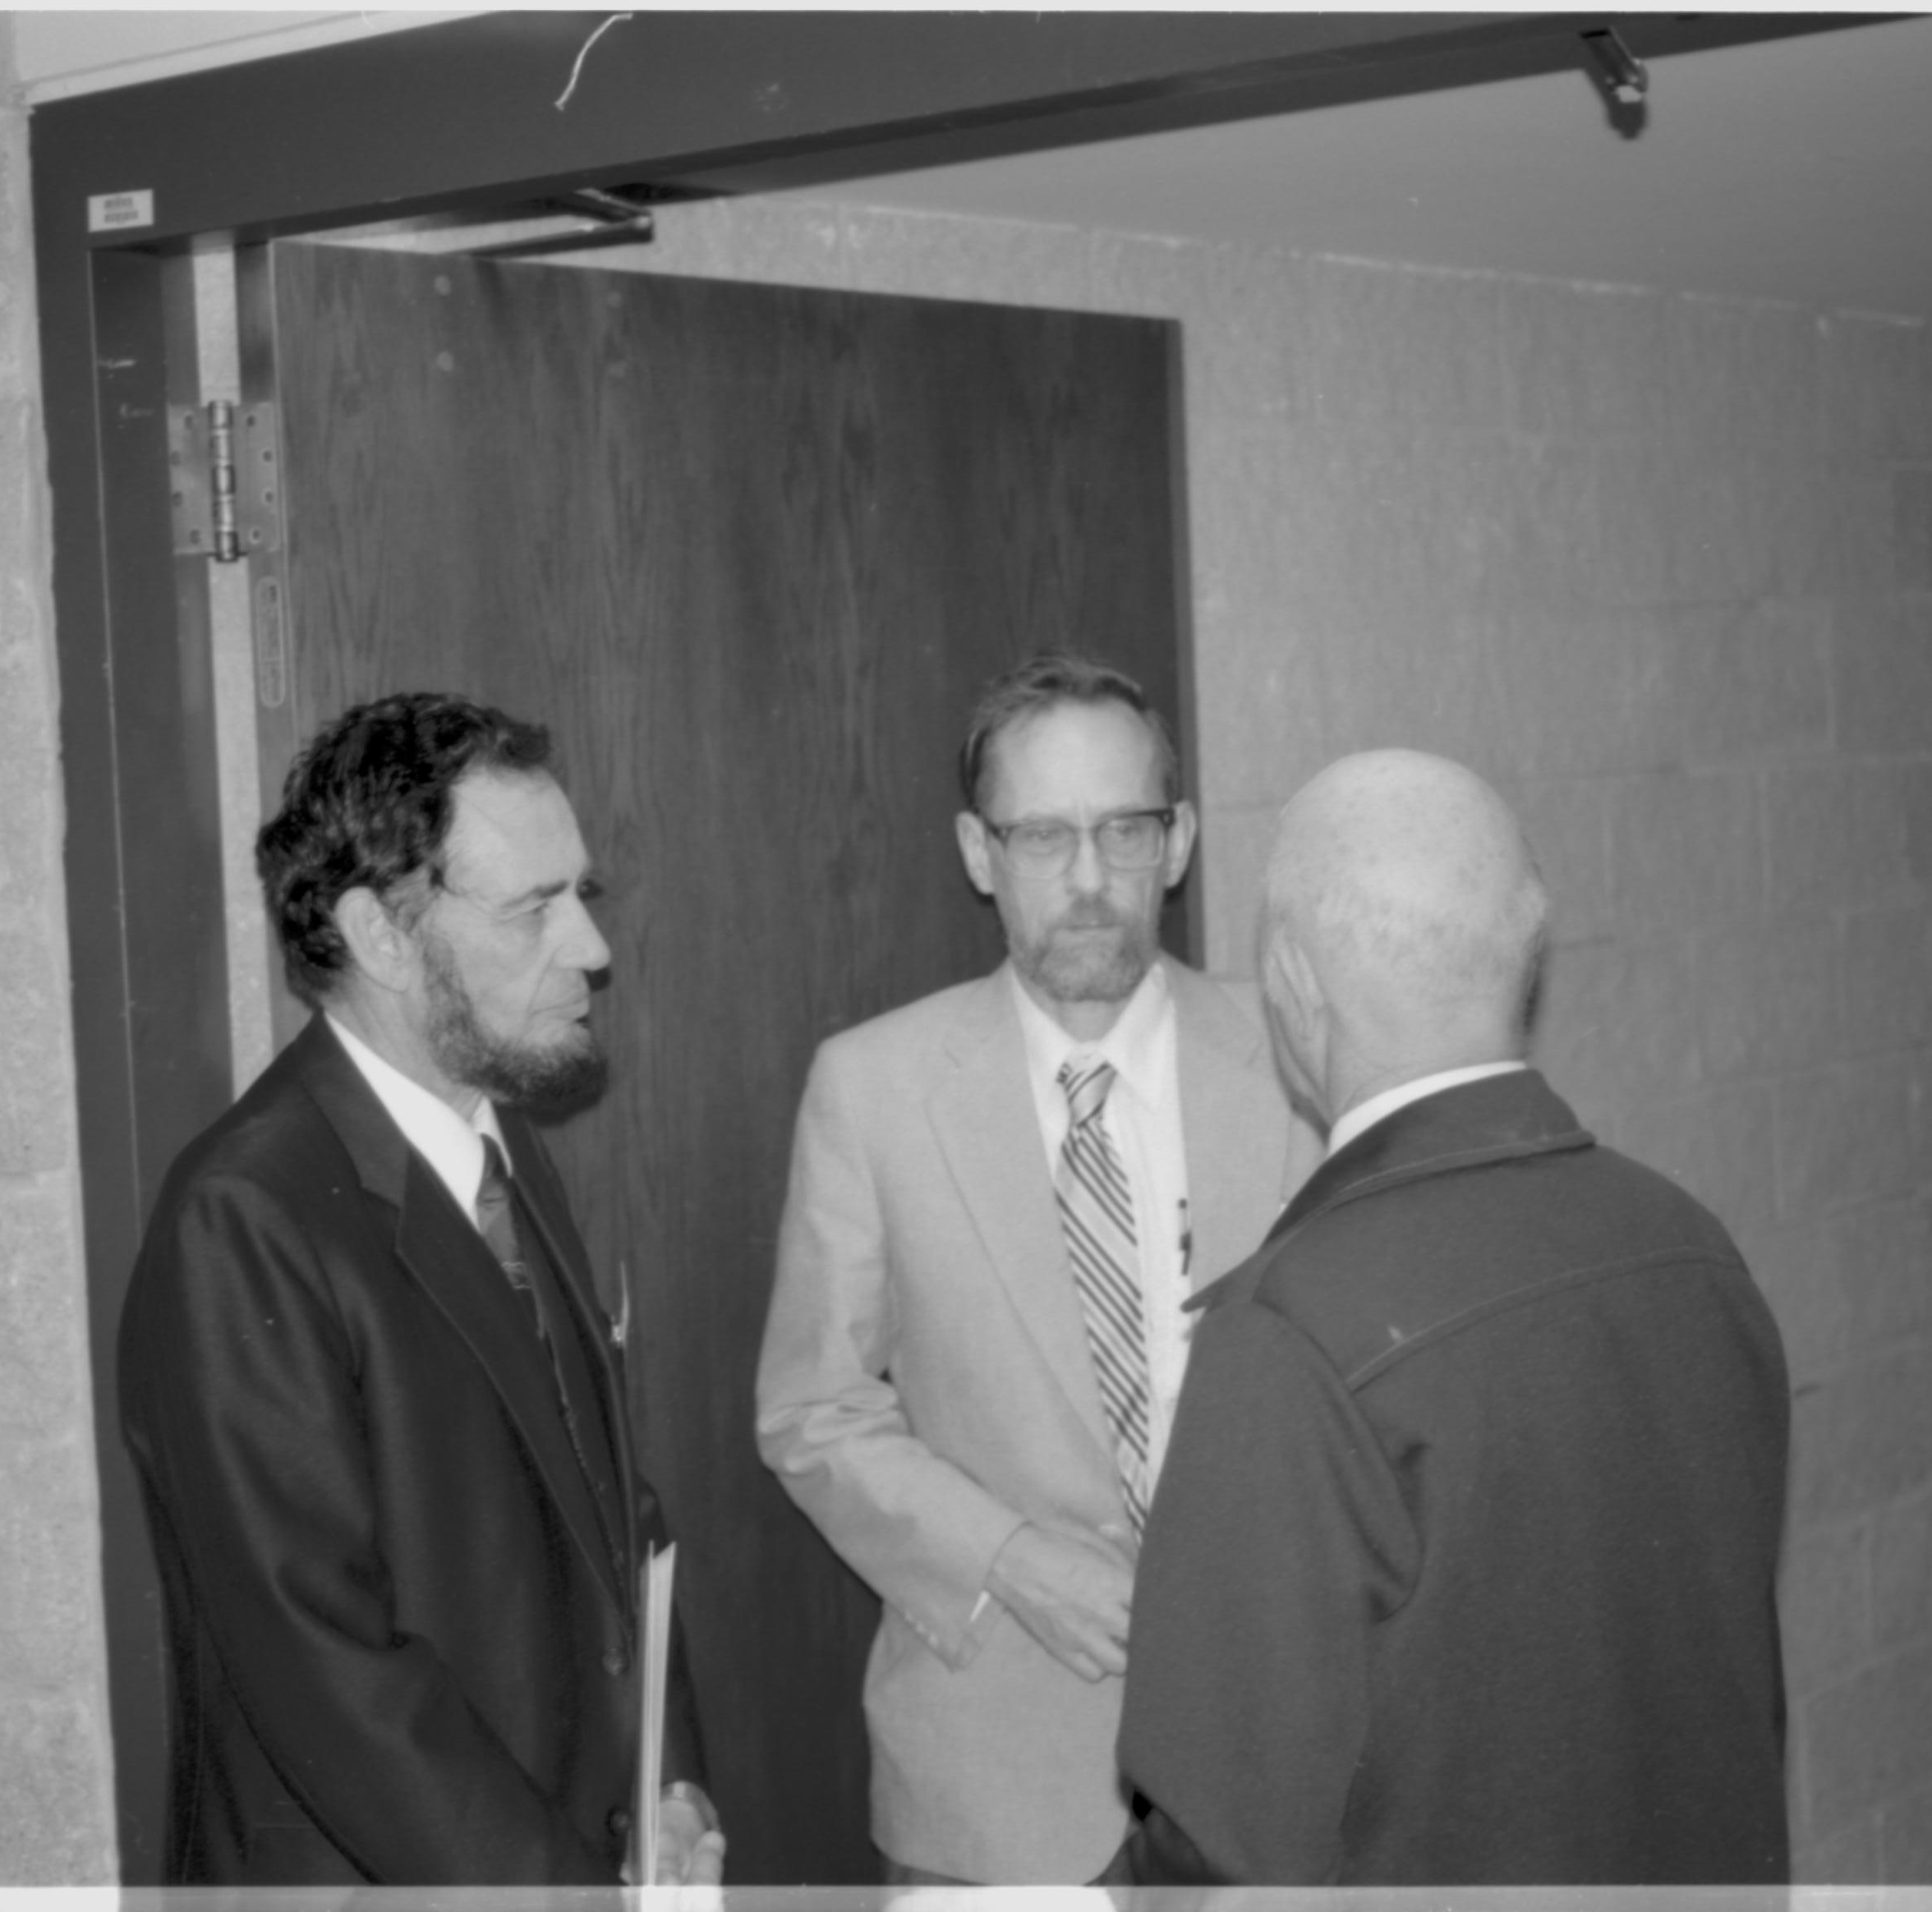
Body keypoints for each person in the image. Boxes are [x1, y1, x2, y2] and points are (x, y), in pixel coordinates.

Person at [1119, 748, 1791, 1884]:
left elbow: (1217, 1847)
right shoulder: (1694, 1249)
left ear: (1290, 983)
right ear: (1521, 965)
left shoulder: (1288, 1337)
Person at [118, 692, 722, 1886]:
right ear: (381, 935)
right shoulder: (243, 1216)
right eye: (533, 908)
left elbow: (612, 1516)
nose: (591, 948)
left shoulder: (496, 1142)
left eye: (581, 896)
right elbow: (329, 1666)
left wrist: (674, 1791)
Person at [756, 654, 1314, 1883]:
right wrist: (1010, 1562)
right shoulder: (875, 1089)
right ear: (977, 851)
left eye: (1124, 830)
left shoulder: (1295, 1068)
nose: (1088, 879)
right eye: (1042, 835)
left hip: (1280, 1768)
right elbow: (814, 1413)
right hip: (991, 1781)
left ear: (1179, 843)